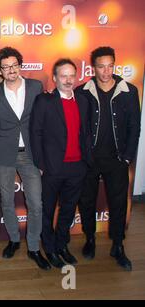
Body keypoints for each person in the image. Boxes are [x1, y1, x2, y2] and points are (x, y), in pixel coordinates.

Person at [76, 46, 141, 271]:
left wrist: (127, 157)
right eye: (101, 66)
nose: (106, 71)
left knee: (118, 203)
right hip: (89, 159)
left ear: (115, 65)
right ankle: (90, 239)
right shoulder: (81, 92)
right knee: (86, 201)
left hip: (117, 159)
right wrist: (82, 156)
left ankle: (118, 245)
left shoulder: (129, 91)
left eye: (110, 66)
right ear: (93, 68)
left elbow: (135, 127)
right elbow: (77, 128)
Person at [0, 47, 50, 270]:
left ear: (20, 65)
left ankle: (34, 246)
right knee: (6, 201)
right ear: (0, 71)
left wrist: (43, 158)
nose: (11, 70)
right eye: (5, 67)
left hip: (31, 154)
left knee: (35, 203)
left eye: (14, 65)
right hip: (4, 153)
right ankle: (14, 239)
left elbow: (44, 122)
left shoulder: (36, 87)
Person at [30, 59, 90, 268]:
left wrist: (86, 162)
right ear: (55, 78)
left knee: (67, 210)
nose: (68, 80)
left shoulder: (83, 100)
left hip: (77, 167)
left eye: (71, 75)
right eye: (63, 76)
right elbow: (35, 134)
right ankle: (50, 248)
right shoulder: (43, 101)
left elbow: (86, 133)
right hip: (53, 168)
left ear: (76, 77)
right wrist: (41, 164)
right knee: (47, 211)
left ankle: (62, 245)